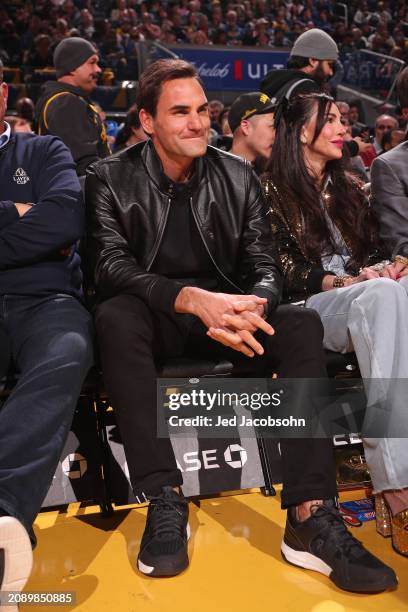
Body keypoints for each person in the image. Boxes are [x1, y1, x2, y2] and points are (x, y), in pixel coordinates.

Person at [87, 58, 397, 591]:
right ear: (146, 121)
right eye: (179, 112)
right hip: (158, 314)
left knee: (298, 327)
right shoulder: (109, 178)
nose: (197, 122)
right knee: (115, 317)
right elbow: (109, 268)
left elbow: (264, 265)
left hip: (231, 315)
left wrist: (251, 306)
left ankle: (308, 515)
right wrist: (189, 299)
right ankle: (165, 496)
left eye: (202, 109)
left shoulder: (236, 175)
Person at [263, 91, 408, 558]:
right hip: (309, 307)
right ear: (301, 131)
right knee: (382, 296)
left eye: (344, 119)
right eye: (331, 120)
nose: (344, 128)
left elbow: (374, 253)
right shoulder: (267, 189)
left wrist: (390, 265)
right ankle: (398, 487)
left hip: (364, 297)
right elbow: (275, 267)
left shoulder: (350, 185)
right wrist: (342, 279)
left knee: (389, 289)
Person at [0, 61, 94, 597]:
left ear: (5, 93)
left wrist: (31, 216)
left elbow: (62, 220)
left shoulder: (43, 150)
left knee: (69, 349)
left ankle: (3, 511)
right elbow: (43, 226)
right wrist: (17, 213)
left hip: (47, 298)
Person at [35, 37, 110, 177]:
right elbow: (83, 166)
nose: (98, 69)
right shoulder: (66, 103)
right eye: (92, 62)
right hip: (79, 196)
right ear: (72, 66)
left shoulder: (64, 99)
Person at [229, 91, 276, 167]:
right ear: (246, 127)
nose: (277, 134)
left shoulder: (272, 172)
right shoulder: (212, 174)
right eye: (272, 127)